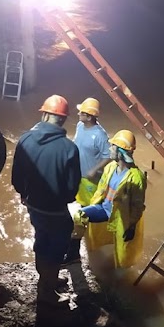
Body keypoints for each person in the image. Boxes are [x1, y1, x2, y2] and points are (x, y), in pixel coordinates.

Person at [11, 94, 81, 302]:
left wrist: (25, 195)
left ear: (44, 114)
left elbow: (16, 178)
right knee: (57, 249)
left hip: (33, 205)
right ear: (64, 119)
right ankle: (48, 292)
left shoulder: (24, 139)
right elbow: (71, 191)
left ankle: (46, 280)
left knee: (41, 240)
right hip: (56, 210)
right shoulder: (69, 149)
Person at [75, 129, 146, 269]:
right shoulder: (110, 167)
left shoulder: (136, 177)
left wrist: (131, 227)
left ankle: (120, 277)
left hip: (121, 218)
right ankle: (74, 255)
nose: (110, 149)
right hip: (104, 209)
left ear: (121, 152)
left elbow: (137, 206)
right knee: (78, 215)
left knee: (121, 251)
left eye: (113, 146)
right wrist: (93, 204)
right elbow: (101, 190)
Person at [62, 97, 111, 265]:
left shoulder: (100, 135)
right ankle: (81, 238)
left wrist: (94, 169)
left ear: (90, 117)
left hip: (91, 181)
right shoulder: (79, 126)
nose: (78, 114)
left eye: (81, 112)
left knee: (85, 212)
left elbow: (108, 156)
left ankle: (76, 250)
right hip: (78, 176)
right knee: (79, 207)